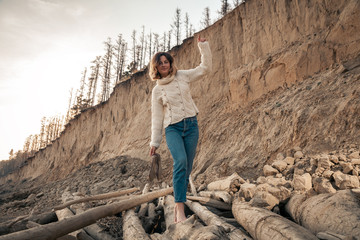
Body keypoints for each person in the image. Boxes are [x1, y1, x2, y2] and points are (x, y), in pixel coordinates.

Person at [149, 35, 212, 223]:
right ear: (156, 67)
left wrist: (203, 46)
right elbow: (157, 117)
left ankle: (179, 211)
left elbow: (205, 69)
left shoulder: (182, 75)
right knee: (181, 162)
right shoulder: (157, 90)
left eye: (166, 61)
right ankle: (179, 209)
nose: (164, 64)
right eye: (160, 62)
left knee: (187, 168)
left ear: (170, 63)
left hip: (191, 125)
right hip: (173, 129)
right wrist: (155, 142)